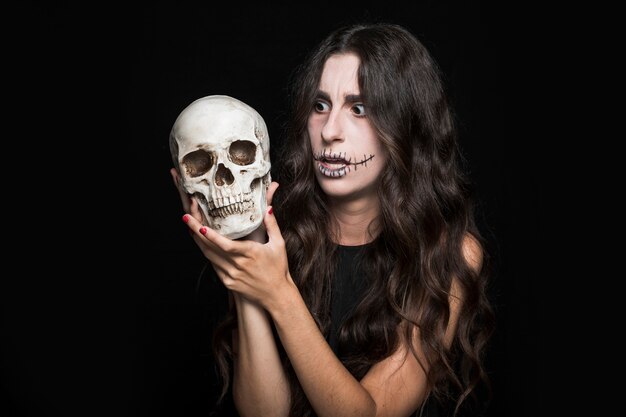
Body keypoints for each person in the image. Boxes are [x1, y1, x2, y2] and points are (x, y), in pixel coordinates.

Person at [171, 22, 495, 417]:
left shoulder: (450, 254)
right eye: (320, 105)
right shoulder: (277, 231)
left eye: (359, 109)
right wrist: (245, 264)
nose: (330, 131)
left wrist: (278, 291)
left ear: (407, 124)